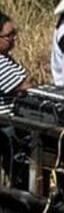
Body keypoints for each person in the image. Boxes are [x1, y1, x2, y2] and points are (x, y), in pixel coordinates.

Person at [0, 11, 32, 181]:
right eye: (8, 36)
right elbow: (24, 87)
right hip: (6, 125)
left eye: (14, 34)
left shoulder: (6, 58)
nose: (13, 39)